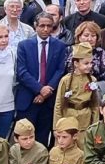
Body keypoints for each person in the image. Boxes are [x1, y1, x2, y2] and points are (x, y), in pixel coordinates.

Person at [15, 12, 68, 146]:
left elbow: (60, 70)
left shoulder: (60, 46)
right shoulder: (24, 45)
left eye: (49, 26)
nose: (45, 29)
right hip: (28, 98)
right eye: (42, 26)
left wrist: (46, 92)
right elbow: (21, 72)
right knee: (25, 138)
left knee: (43, 139)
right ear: (35, 26)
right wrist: (40, 89)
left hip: (49, 100)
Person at [54, 43, 100, 152]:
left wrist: (95, 126)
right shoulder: (65, 80)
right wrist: (56, 127)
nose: (89, 66)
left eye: (91, 63)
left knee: (84, 149)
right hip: (68, 118)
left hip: (85, 121)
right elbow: (58, 104)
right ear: (76, 63)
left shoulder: (92, 80)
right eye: (86, 63)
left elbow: (95, 105)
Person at [70, 21, 105, 86]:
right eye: (86, 35)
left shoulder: (101, 53)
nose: (89, 39)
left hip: (94, 90)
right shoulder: (70, 51)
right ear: (79, 36)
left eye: (93, 36)